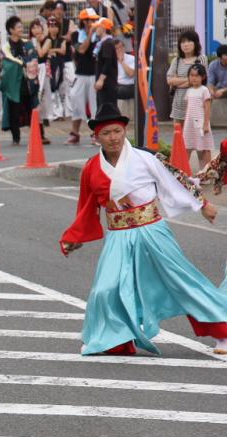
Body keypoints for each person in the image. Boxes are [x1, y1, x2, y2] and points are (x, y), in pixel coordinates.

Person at [60, 103, 227, 356]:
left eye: (117, 131)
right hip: (117, 235)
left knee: (183, 282)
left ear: (124, 131)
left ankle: (222, 332)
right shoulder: (92, 168)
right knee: (106, 289)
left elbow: (174, 180)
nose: (113, 137)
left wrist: (202, 204)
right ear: (96, 138)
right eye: (106, 133)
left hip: (152, 231)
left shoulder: (145, 158)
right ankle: (114, 340)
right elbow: (86, 206)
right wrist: (76, 237)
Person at [1, 16, 44, 146]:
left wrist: (25, 63)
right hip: (14, 84)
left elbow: (33, 57)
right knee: (14, 110)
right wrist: (24, 62)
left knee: (33, 108)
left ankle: (39, 135)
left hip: (28, 83)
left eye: (21, 27)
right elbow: (8, 61)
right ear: (11, 30)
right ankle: (16, 138)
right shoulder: (6, 47)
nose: (21, 29)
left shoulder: (27, 43)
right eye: (18, 27)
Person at [65, 8, 99, 145]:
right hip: (81, 74)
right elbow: (82, 49)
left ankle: (95, 133)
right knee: (76, 103)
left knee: (95, 106)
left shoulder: (101, 34)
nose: (93, 22)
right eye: (91, 20)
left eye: (95, 20)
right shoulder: (76, 35)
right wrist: (90, 36)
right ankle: (75, 133)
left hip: (95, 75)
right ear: (84, 21)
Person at [166, 31, 208, 125]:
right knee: (178, 136)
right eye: (183, 42)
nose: (186, 44)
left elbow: (197, 81)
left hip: (195, 104)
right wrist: (188, 79)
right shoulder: (176, 60)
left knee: (194, 135)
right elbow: (169, 80)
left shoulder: (201, 59)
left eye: (189, 41)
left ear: (195, 43)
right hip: (178, 106)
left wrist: (177, 82)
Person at [183, 64, 213, 171]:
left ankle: (207, 172)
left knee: (204, 148)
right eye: (191, 75)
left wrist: (205, 125)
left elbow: (207, 108)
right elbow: (187, 108)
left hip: (201, 124)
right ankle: (184, 171)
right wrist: (185, 123)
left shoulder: (204, 90)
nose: (194, 78)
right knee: (187, 146)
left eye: (196, 76)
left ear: (203, 77)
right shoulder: (189, 91)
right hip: (190, 124)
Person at [53, 0, 76, 119]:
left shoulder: (69, 22)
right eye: (57, 9)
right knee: (57, 85)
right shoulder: (50, 22)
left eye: (61, 9)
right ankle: (57, 113)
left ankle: (70, 112)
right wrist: (64, 37)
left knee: (71, 83)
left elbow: (70, 36)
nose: (59, 11)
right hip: (55, 58)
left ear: (64, 11)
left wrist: (58, 37)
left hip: (67, 58)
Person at [30, 19, 54, 125]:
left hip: (44, 67)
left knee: (45, 93)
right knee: (35, 93)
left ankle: (47, 116)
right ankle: (37, 115)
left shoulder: (47, 40)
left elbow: (41, 54)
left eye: (38, 27)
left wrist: (38, 42)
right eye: (33, 28)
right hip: (33, 68)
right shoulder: (30, 41)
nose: (36, 30)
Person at [93, 17, 118, 109]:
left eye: (97, 27)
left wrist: (101, 79)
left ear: (102, 28)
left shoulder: (107, 43)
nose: (96, 29)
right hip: (105, 82)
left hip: (107, 83)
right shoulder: (103, 43)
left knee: (106, 107)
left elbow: (108, 62)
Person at [46, 17, 68, 121]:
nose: (53, 29)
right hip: (49, 65)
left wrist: (53, 49)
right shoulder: (46, 39)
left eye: (55, 27)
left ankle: (60, 111)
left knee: (59, 87)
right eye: (51, 26)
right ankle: (55, 112)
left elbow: (63, 51)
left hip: (59, 64)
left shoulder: (61, 40)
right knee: (51, 87)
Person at [115, 39, 135, 119]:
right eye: (117, 48)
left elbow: (130, 74)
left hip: (129, 85)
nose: (119, 50)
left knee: (120, 91)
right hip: (116, 84)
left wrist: (122, 61)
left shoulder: (131, 58)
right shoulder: (111, 59)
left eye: (121, 47)